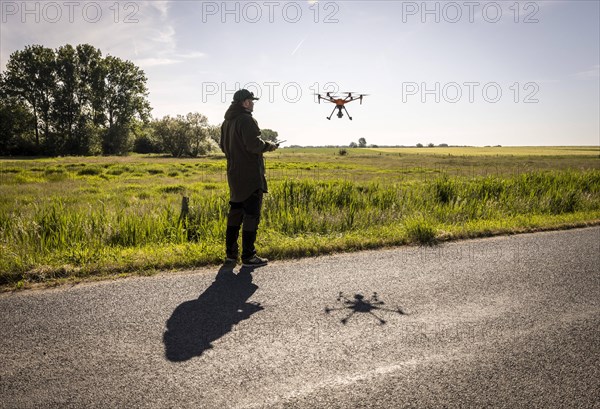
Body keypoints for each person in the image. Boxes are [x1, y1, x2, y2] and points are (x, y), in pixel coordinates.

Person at [220, 89, 278, 267]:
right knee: (252, 216)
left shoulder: (226, 122)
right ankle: (249, 256)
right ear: (244, 103)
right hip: (251, 176)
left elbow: (223, 146)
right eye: (251, 101)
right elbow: (254, 145)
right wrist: (270, 145)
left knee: (235, 213)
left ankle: (231, 255)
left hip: (234, 175)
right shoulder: (246, 119)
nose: (253, 103)